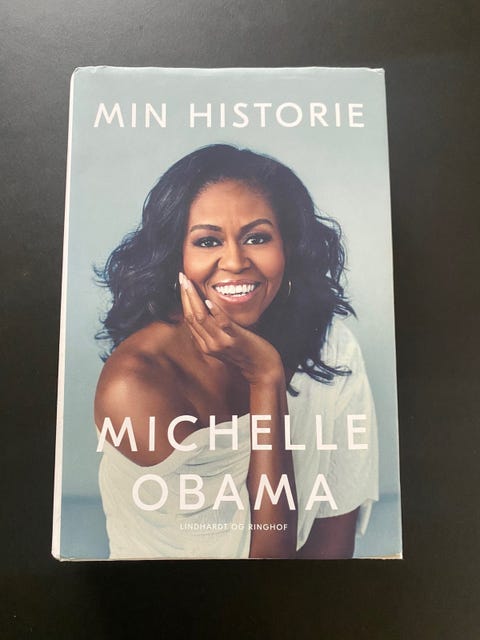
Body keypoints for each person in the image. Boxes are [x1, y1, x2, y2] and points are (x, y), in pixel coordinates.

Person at [94, 144, 378, 559]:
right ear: (175, 256)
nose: (235, 261)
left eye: (257, 238)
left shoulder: (330, 347)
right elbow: (264, 564)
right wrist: (266, 379)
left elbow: (331, 546)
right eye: (208, 241)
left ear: (289, 246)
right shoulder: (135, 386)